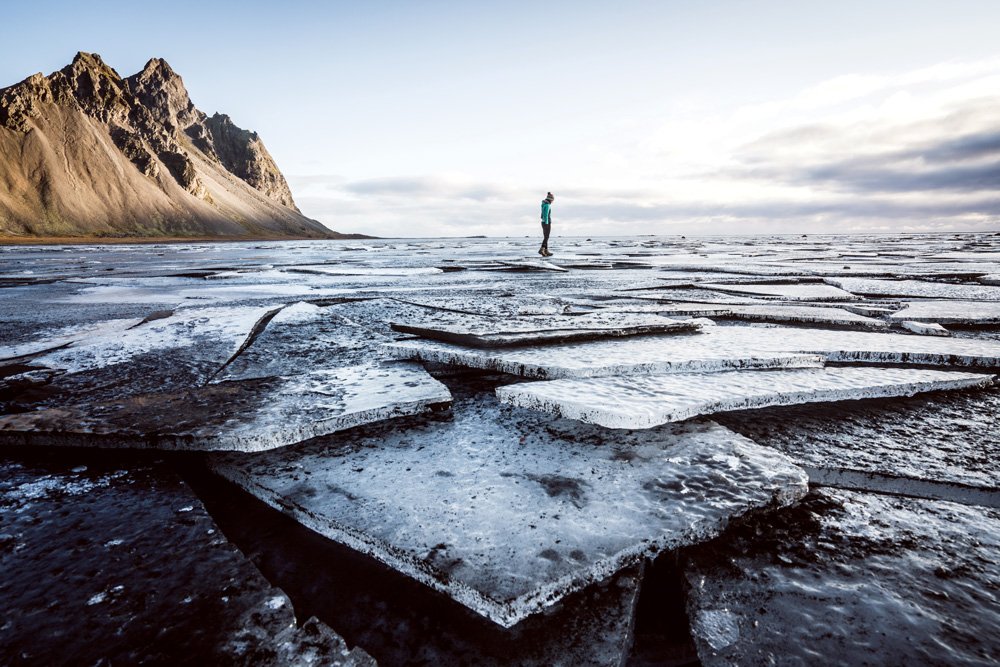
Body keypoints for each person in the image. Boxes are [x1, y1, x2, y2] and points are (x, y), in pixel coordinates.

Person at [539, 192, 554, 257]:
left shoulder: (544, 204)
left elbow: (542, 215)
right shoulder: (547, 205)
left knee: (546, 237)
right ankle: (542, 249)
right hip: (546, 222)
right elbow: (545, 215)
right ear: (550, 199)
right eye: (553, 200)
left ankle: (546, 250)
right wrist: (547, 223)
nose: (553, 201)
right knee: (546, 237)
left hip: (543, 222)